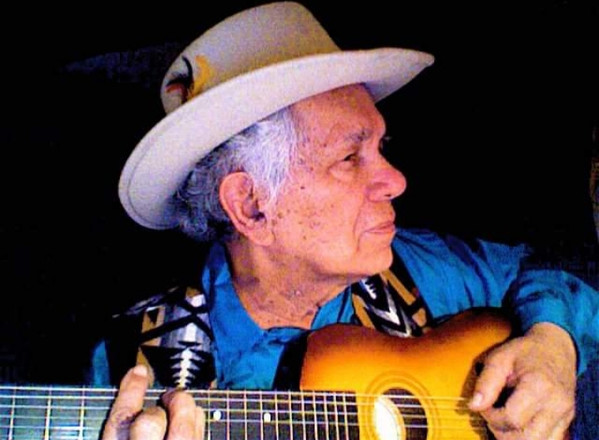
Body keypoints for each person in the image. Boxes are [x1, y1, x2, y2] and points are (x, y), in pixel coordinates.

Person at [99, 2, 599, 439]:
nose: (397, 180)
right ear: (250, 205)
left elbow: (557, 270)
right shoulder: (132, 364)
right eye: (349, 158)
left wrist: (553, 343)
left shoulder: (421, 269)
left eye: (381, 147)